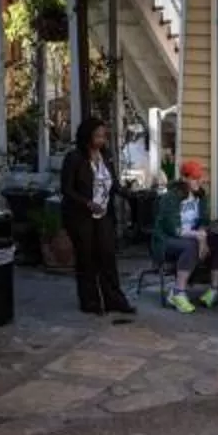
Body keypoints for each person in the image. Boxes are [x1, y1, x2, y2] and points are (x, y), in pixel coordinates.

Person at [59, 116, 135, 324]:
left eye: (104, 136)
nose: (102, 140)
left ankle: (115, 300)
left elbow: (112, 183)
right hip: (81, 217)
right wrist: (87, 203)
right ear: (87, 137)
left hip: (104, 215)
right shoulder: (74, 158)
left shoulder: (106, 156)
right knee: (87, 259)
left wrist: (128, 193)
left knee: (108, 256)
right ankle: (90, 302)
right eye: (98, 136)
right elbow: (67, 189)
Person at [152, 158, 218, 313]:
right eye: (194, 178)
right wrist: (198, 237)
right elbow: (174, 229)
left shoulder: (200, 196)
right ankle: (178, 293)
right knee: (191, 245)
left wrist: (202, 235)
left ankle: (214, 291)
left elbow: (204, 220)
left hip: (191, 236)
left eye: (199, 178)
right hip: (166, 240)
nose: (198, 182)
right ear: (184, 178)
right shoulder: (170, 197)